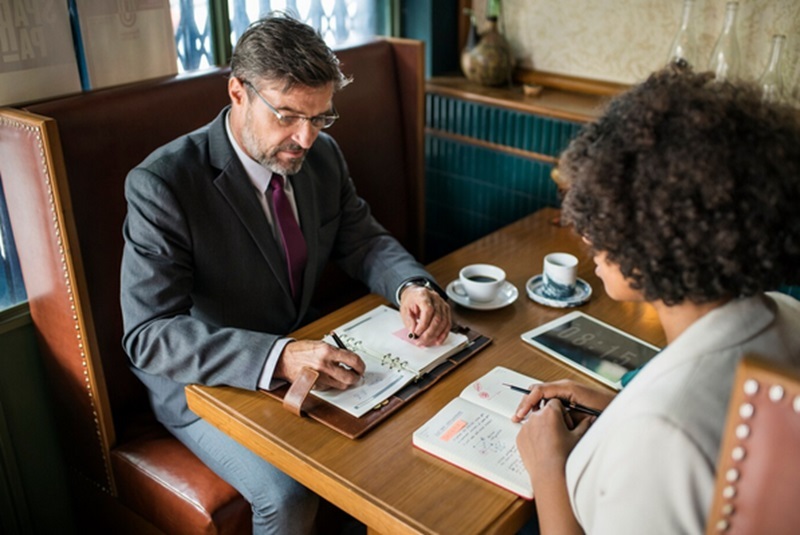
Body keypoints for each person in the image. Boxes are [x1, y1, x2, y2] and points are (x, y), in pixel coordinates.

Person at [120, 13, 451, 534]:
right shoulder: (164, 184)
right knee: (287, 493)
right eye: (289, 115)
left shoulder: (323, 157)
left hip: (304, 351)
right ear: (237, 92)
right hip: (207, 384)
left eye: (320, 118)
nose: (306, 137)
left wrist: (413, 285)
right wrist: (279, 355)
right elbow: (148, 336)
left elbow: (361, 239)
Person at [513, 64, 800, 534]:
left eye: (604, 218)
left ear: (657, 238)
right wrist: (620, 407)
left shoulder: (663, 434)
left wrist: (548, 469)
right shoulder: (786, 313)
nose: (585, 234)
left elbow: (678, 431)